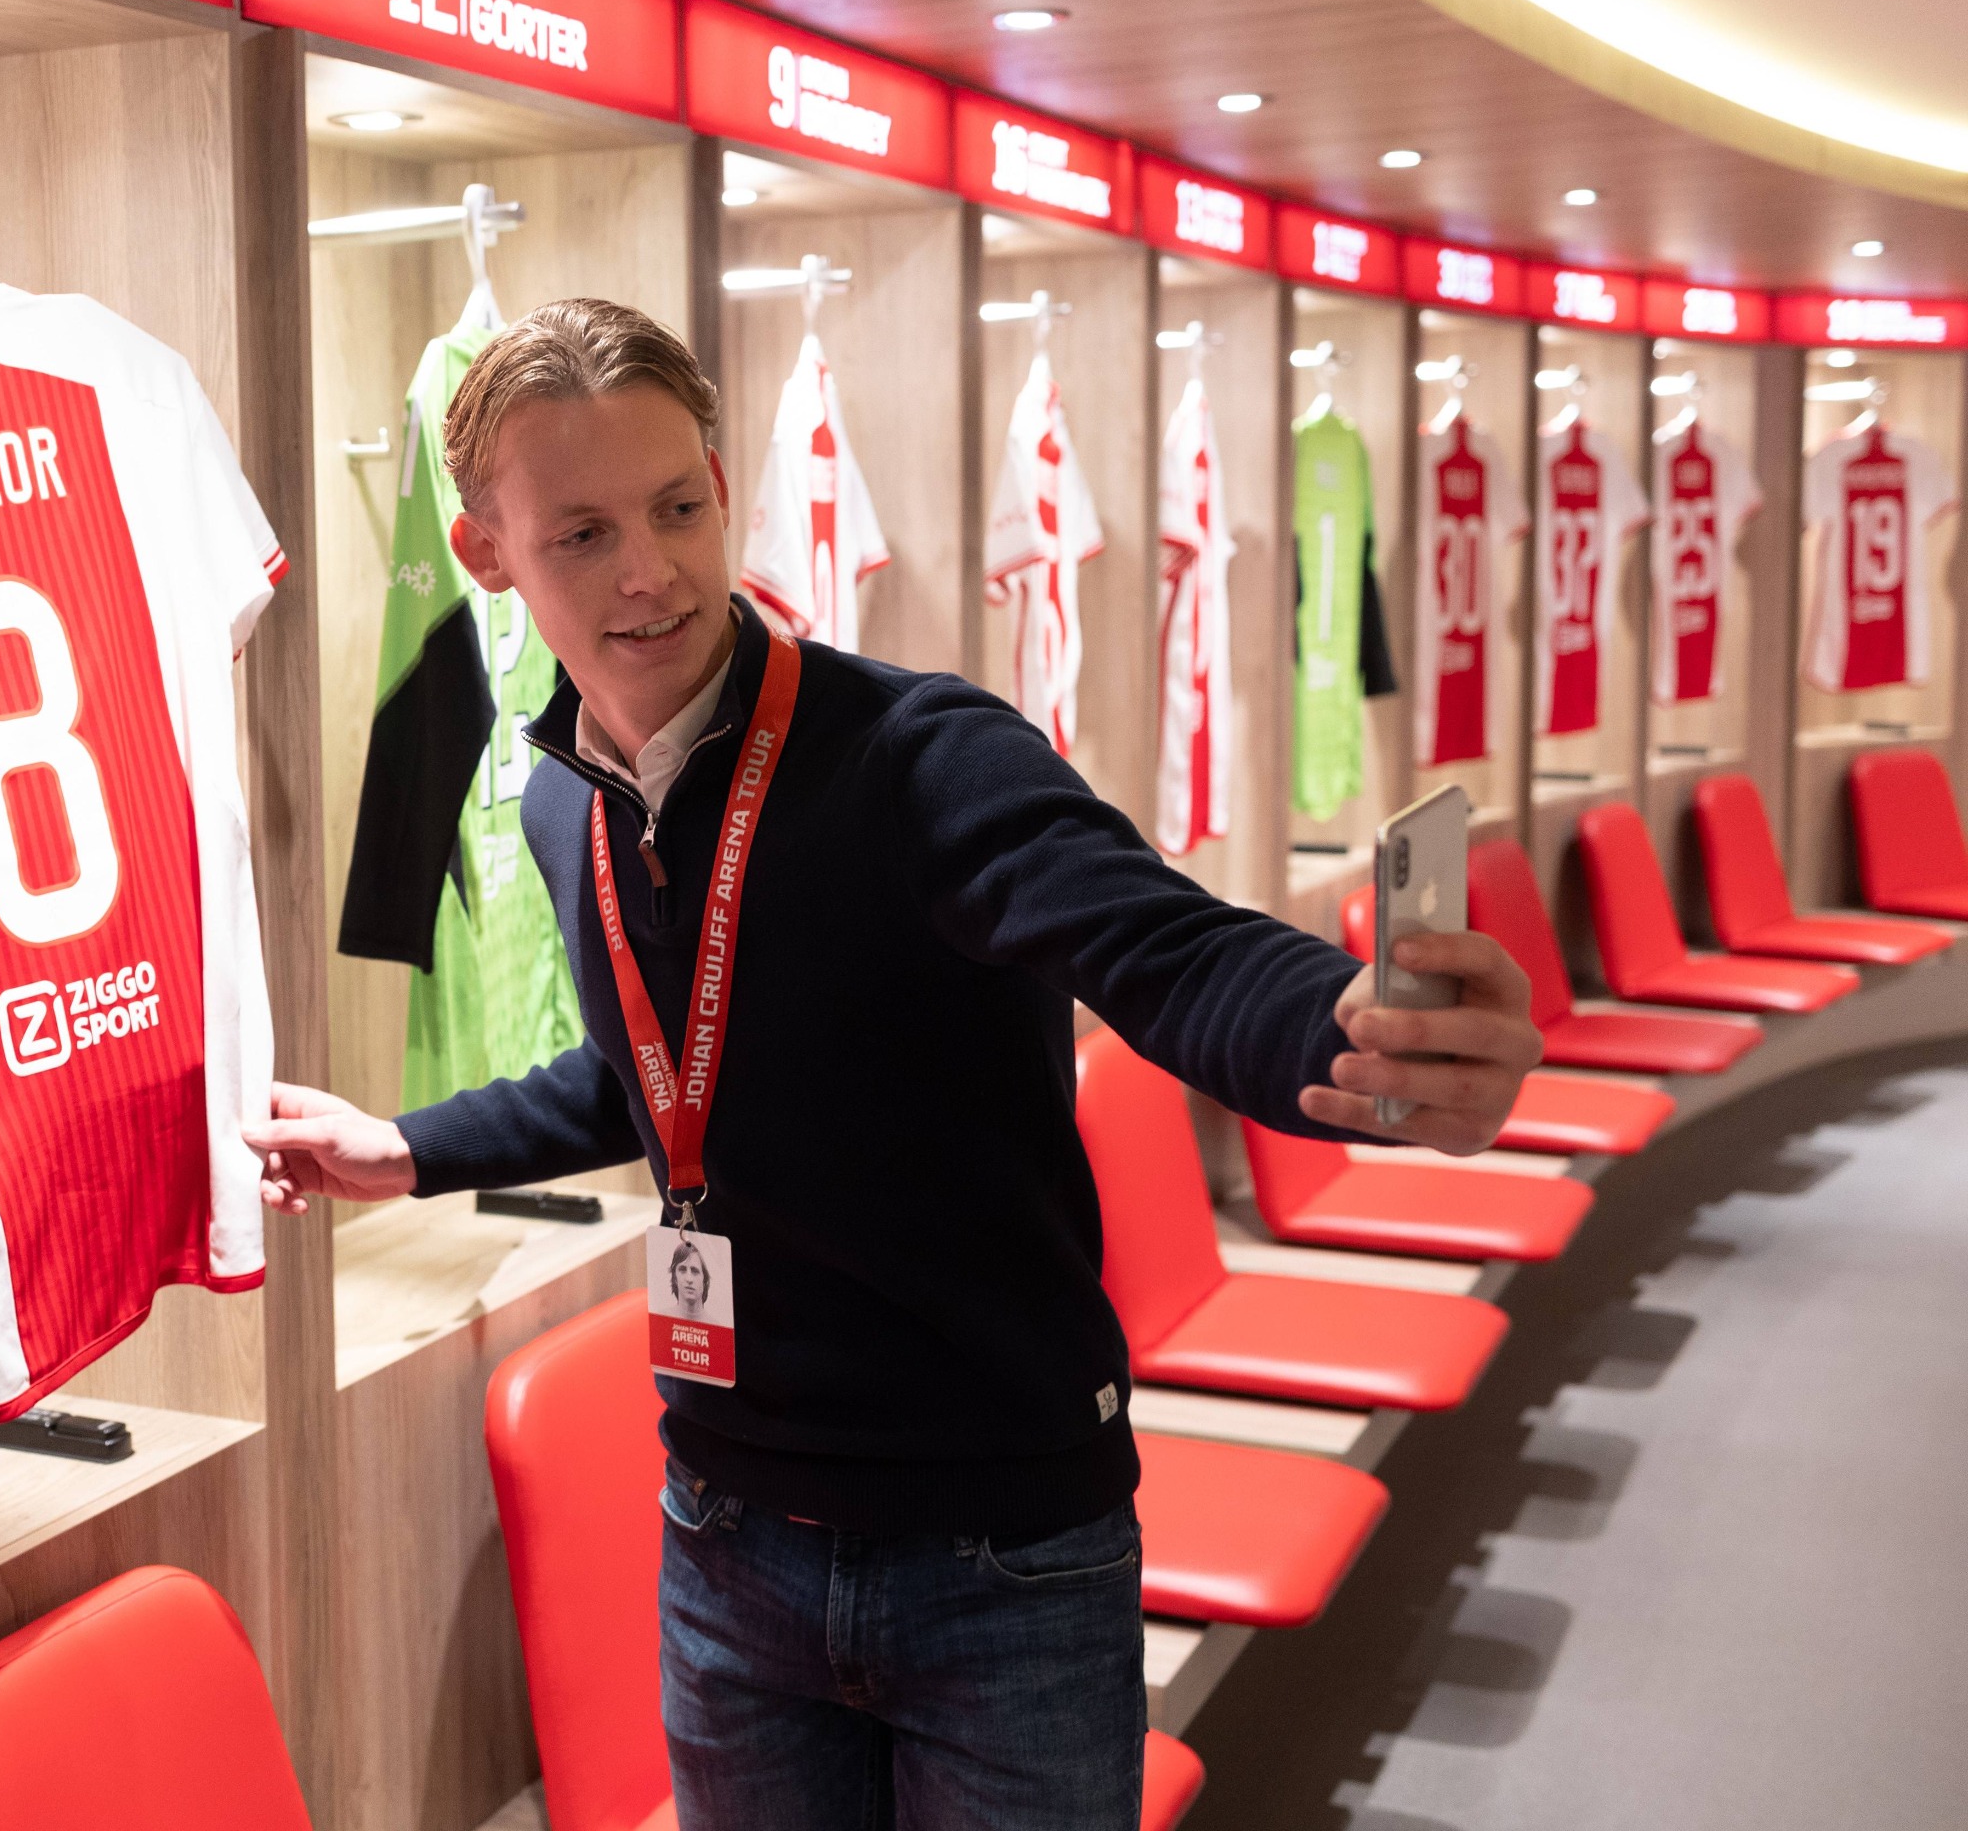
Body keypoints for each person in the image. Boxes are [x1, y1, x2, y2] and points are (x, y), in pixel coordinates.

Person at [249, 298, 1543, 1830]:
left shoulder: (922, 757)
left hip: (1000, 1551)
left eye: (677, 506)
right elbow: (663, 1080)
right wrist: (411, 1149)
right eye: (583, 533)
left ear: (725, 486)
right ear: (487, 556)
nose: (650, 570)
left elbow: (1167, 949)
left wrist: (1349, 1030)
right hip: (727, 1539)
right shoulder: (564, 805)